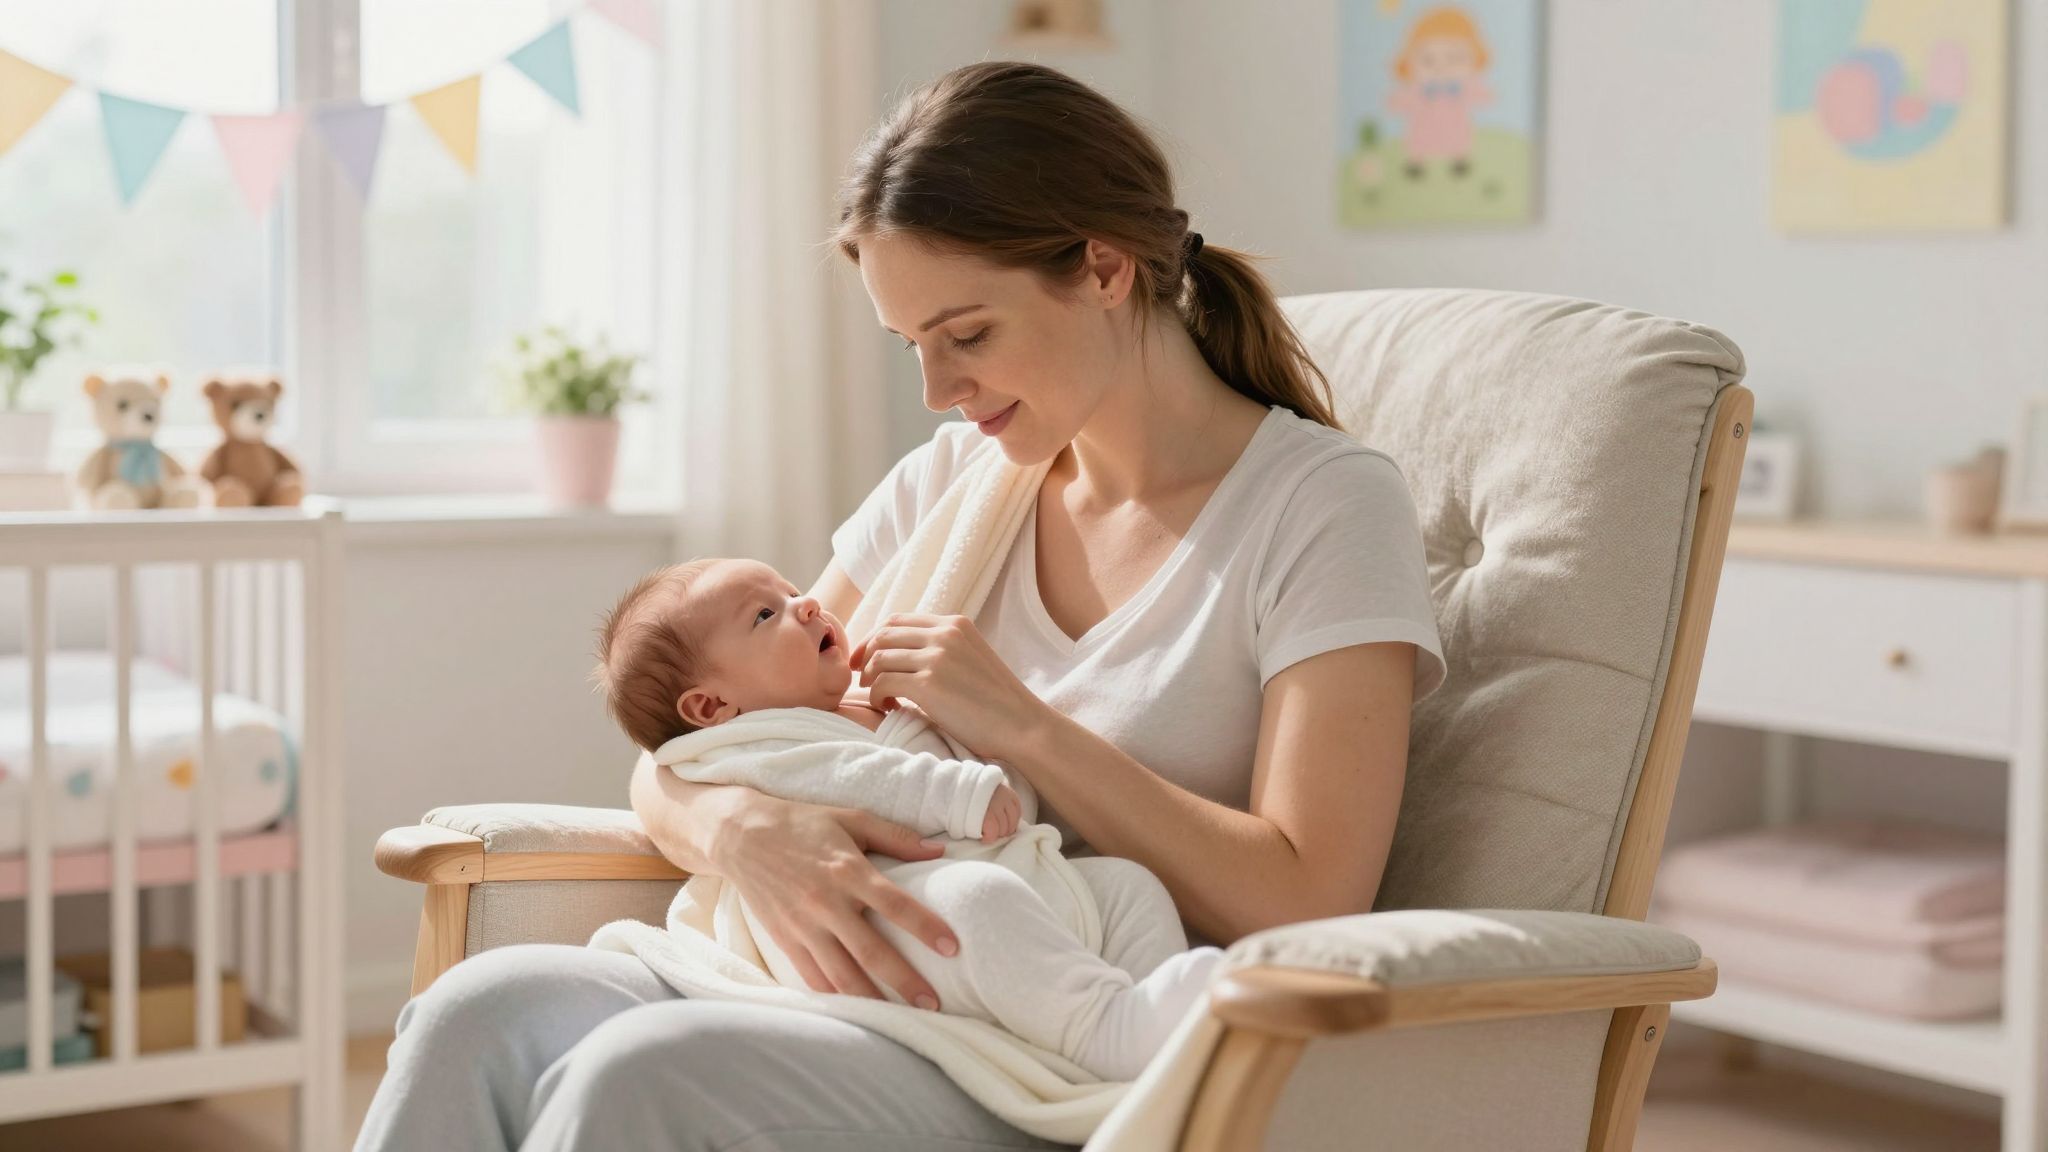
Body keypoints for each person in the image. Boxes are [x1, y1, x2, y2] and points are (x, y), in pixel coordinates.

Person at [355, 59, 1444, 1152]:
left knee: (639, 1075)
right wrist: (746, 830)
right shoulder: (948, 487)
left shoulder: (1321, 506)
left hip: (1055, 1036)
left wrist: (1024, 728)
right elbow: (697, 743)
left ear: (1105, 269)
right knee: (476, 1012)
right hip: (844, 985)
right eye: (912, 345)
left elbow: (1308, 900)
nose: (937, 391)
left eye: (966, 335)